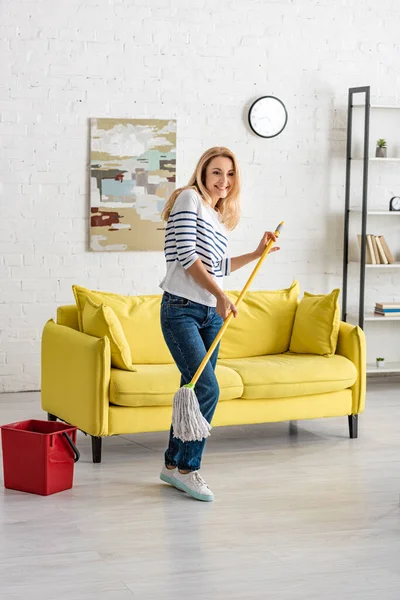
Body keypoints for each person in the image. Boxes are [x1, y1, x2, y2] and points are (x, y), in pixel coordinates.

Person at [159, 146, 279, 502]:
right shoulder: (188, 199)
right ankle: (188, 470)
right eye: (216, 172)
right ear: (202, 172)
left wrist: (257, 254)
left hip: (210, 316)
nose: (223, 180)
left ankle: (171, 464)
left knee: (192, 393)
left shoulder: (215, 215)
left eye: (229, 174)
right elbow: (188, 258)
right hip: (181, 309)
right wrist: (223, 296)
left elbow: (217, 267)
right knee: (209, 389)